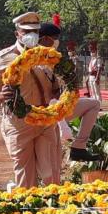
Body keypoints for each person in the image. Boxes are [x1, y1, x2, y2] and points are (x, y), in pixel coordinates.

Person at [0, 12, 60, 189]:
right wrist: (2, 96)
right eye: (26, 31)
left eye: (35, 31)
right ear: (17, 33)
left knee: (51, 174)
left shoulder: (47, 55)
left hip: (45, 120)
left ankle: (55, 211)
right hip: (19, 124)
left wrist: (58, 98)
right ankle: (30, 212)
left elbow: (56, 86)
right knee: (26, 179)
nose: (31, 35)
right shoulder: (4, 57)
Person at [38, 22, 100, 163]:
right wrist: (62, 123)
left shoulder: (55, 57)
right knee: (49, 163)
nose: (57, 41)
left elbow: (61, 88)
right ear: (46, 39)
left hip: (57, 108)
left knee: (94, 104)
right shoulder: (35, 58)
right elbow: (47, 93)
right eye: (55, 37)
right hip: (41, 110)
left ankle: (79, 148)